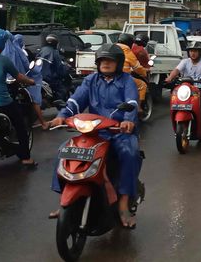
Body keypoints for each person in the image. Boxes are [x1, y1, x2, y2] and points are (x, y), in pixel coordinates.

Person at [48, 44, 141, 228]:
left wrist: (128, 120)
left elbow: (132, 101)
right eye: (102, 60)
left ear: (119, 62)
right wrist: (62, 116)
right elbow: (76, 100)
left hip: (119, 132)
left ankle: (123, 204)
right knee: (63, 151)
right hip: (94, 132)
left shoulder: (127, 81)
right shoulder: (91, 80)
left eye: (110, 60)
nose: (105, 63)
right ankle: (64, 200)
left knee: (129, 153)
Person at [0, 28, 38, 168]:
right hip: (2, 101)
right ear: (2, 43)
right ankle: (26, 158)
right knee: (20, 125)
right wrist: (31, 81)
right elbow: (19, 76)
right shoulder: (4, 60)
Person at [164, 42, 201, 129]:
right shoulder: (185, 61)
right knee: (174, 96)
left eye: (195, 51)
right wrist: (169, 78)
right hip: (186, 87)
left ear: (200, 52)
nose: (193, 53)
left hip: (200, 87)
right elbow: (176, 70)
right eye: (191, 51)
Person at [3, 34, 48, 129]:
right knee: (34, 100)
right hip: (20, 80)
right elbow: (25, 68)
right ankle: (43, 123)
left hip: (3, 84)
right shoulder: (20, 53)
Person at [115, 33, 149, 113]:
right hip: (123, 78)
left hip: (109, 77)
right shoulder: (127, 51)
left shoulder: (113, 48)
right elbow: (137, 67)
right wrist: (144, 73)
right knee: (142, 85)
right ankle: (139, 108)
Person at [38, 34, 69, 101]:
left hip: (39, 76)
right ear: (55, 43)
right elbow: (59, 67)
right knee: (62, 89)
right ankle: (60, 103)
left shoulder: (42, 50)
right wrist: (65, 71)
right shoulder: (55, 52)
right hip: (50, 78)